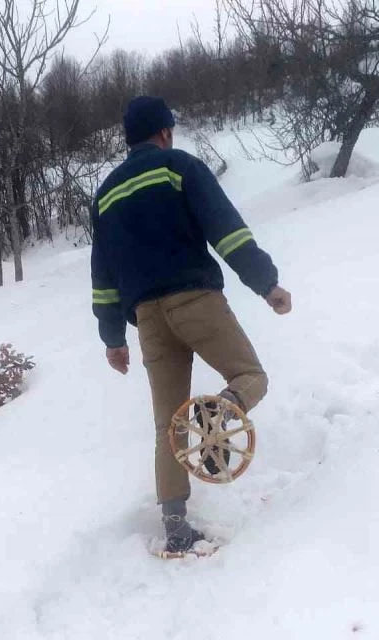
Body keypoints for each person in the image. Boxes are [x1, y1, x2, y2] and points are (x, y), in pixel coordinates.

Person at [90, 95, 292, 553]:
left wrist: (112, 339)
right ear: (164, 132)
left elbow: (103, 276)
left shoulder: (105, 195)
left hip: (148, 319)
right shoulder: (178, 166)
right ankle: (216, 413)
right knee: (250, 377)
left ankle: (176, 529)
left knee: (168, 425)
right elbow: (226, 230)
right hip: (195, 300)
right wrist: (267, 283)